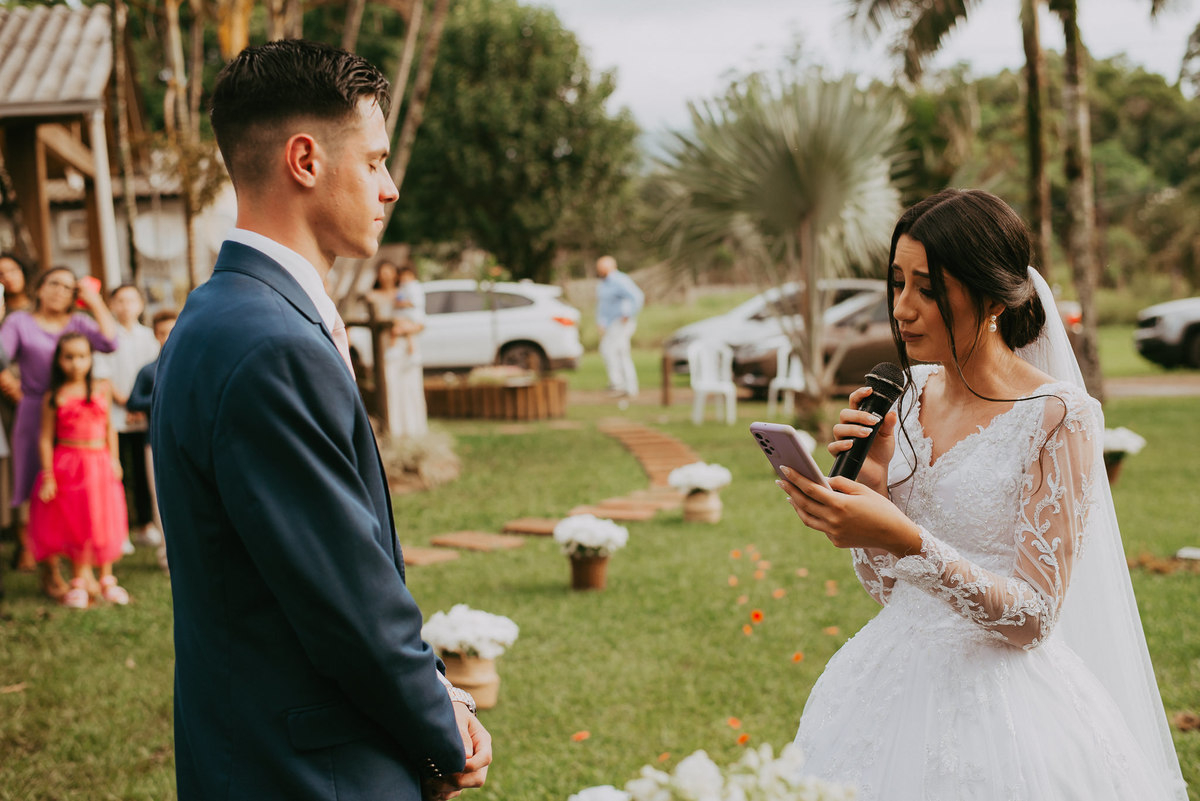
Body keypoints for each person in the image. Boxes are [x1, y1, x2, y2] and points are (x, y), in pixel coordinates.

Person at [150, 40, 491, 801]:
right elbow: (346, 599)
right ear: (304, 160)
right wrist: (441, 733)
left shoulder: (215, 316)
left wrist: (440, 693)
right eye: (374, 162)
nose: (390, 188)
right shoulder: (270, 344)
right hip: (312, 771)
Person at [778, 189, 1187, 800]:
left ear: (993, 298)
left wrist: (908, 538)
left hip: (1004, 710)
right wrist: (874, 484)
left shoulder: (1059, 416)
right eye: (898, 284)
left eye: (928, 289)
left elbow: (1034, 618)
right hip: (886, 684)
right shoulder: (909, 393)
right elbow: (891, 590)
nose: (903, 309)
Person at [0, 266, 117, 597]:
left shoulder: (79, 323)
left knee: (77, 491)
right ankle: (49, 570)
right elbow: (1, 356)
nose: (60, 291)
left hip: (75, 415)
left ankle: (82, 566)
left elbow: (110, 342)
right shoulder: (19, 322)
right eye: (54, 283)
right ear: (39, 287)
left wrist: (94, 301)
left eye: (68, 287)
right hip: (34, 411)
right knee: (39, 490)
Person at [28, 333, 129, 608]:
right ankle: (78, 581)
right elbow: (45, 438)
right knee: (75, 520)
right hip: (69, 465)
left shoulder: (101, 388)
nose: (76, 363)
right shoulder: (55, 395)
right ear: (59, 361)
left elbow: (110, 427)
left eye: (82, 356)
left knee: (103, 517)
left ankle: (107, 578)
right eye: (69, 357)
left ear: (91, 358)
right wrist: (48, 474)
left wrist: (115, 459)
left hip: (99, 462)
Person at [94, 284, 161, 551]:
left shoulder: (150, 337)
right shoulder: (106, 335)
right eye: (120, 301)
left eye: (131, 300)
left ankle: (145, 525)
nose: (125, 306)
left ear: (141, 305)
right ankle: (120, 529)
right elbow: (103, 373)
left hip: (144, 414)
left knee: (145, 474)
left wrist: (138, 405)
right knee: (117, 473)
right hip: (116, 415)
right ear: (111, 305)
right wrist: (124, 401)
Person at [126, 309, 177, 572]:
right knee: (160, 497)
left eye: (173, 331)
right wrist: (162, 395)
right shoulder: (148, 371)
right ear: (156, 336)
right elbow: (133, 400)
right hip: (154, 441)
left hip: (189, 440)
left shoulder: (193, 363)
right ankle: (168, 555)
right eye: (163, 333)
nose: (168, 337)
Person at [370, 258, 427, 439]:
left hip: (406, 346)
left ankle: (413, 430)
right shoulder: (373, 296)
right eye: (383, 272)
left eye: (390, 272)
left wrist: (407, 328)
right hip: (386, 347)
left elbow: (420, 322)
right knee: (390, 385)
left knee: (410, 387)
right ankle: (392, 429)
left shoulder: (404, 294)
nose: (386, 276)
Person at [595, 255, 643, 399]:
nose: (598, 270)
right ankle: (623, 385)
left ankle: (621, 385)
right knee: (611, 350)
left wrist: (628, 313)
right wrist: (601, 322)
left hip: (621, 322)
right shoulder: (603, 283)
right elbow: (604, 306)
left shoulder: (620, 280)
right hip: (611, 323)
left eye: (601, 267)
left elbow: (637, 296)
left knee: (614, 350)